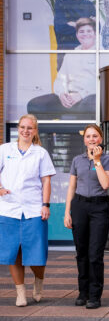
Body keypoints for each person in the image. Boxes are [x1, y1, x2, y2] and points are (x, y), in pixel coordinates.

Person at [0, 114, 56, 307]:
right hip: (9, 209)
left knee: (37, 255)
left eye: (29, 128)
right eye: (22, 127)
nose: (25, 131)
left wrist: (45, 205)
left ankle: (38, 281)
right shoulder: (4, 150)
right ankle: (20, 292)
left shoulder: (40, 153)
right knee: (13, 253)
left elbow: (46, 181)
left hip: (33, 209)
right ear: (18, 128)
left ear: (35, 131)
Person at [64, 124, 109, 309]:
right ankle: (83, 292)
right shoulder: (77, 160)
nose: (92, 139)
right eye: (88, 136)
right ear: (84, 139)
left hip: (99, 206)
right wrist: (67, 212)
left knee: (95, 254)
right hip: (79, 206)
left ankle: (94, 295)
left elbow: (105, 184)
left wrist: (97, 160)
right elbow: (72, 186)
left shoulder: (108, 159)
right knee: (82, 252)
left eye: (95, 136)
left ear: (100, 139)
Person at [27, 18, 96, 120]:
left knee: (88, 106)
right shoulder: (70, 55)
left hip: (88, 96)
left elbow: (104, 82)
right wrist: (62, 94)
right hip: (69, 96)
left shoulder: (102, 54)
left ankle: (82, 131)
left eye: (89, 31)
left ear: (95, 34)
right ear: (77, 35)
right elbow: (60, 79)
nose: (85, 34)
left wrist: (81, 95)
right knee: (35, 105)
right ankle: (48, 131)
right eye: (81, 31)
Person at [54, 0, 96, 70]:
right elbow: (60, 27)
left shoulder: (89, 4)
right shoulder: (61, 1)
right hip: (67, 49)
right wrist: (87, 24)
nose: (84, 32)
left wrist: (74, 24)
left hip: (87, 50)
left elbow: (96, 28)